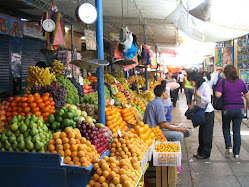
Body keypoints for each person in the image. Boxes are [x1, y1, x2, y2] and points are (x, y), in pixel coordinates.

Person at [215, 65, 249, 159]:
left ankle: (228, 146)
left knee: (226, 127)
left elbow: (218, 95)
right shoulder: (241, 82)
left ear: (225, 73)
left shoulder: (222, 82)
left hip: (227, 108)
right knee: (237, 130)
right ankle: (237, 153)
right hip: (239, 109)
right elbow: (247, 95)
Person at [188, 71, 214, 159]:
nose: (190, 83)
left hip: (208, 112)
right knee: (201, 134)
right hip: (201, 111)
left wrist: (198, 96)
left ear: (196, 79)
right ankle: (200, 152)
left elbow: (208, 100)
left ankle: (205, 153)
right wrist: (193, 101)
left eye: (191, 81)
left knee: (206, 134)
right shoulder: (197, 86)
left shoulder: (205, 86)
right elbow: (194, 97)